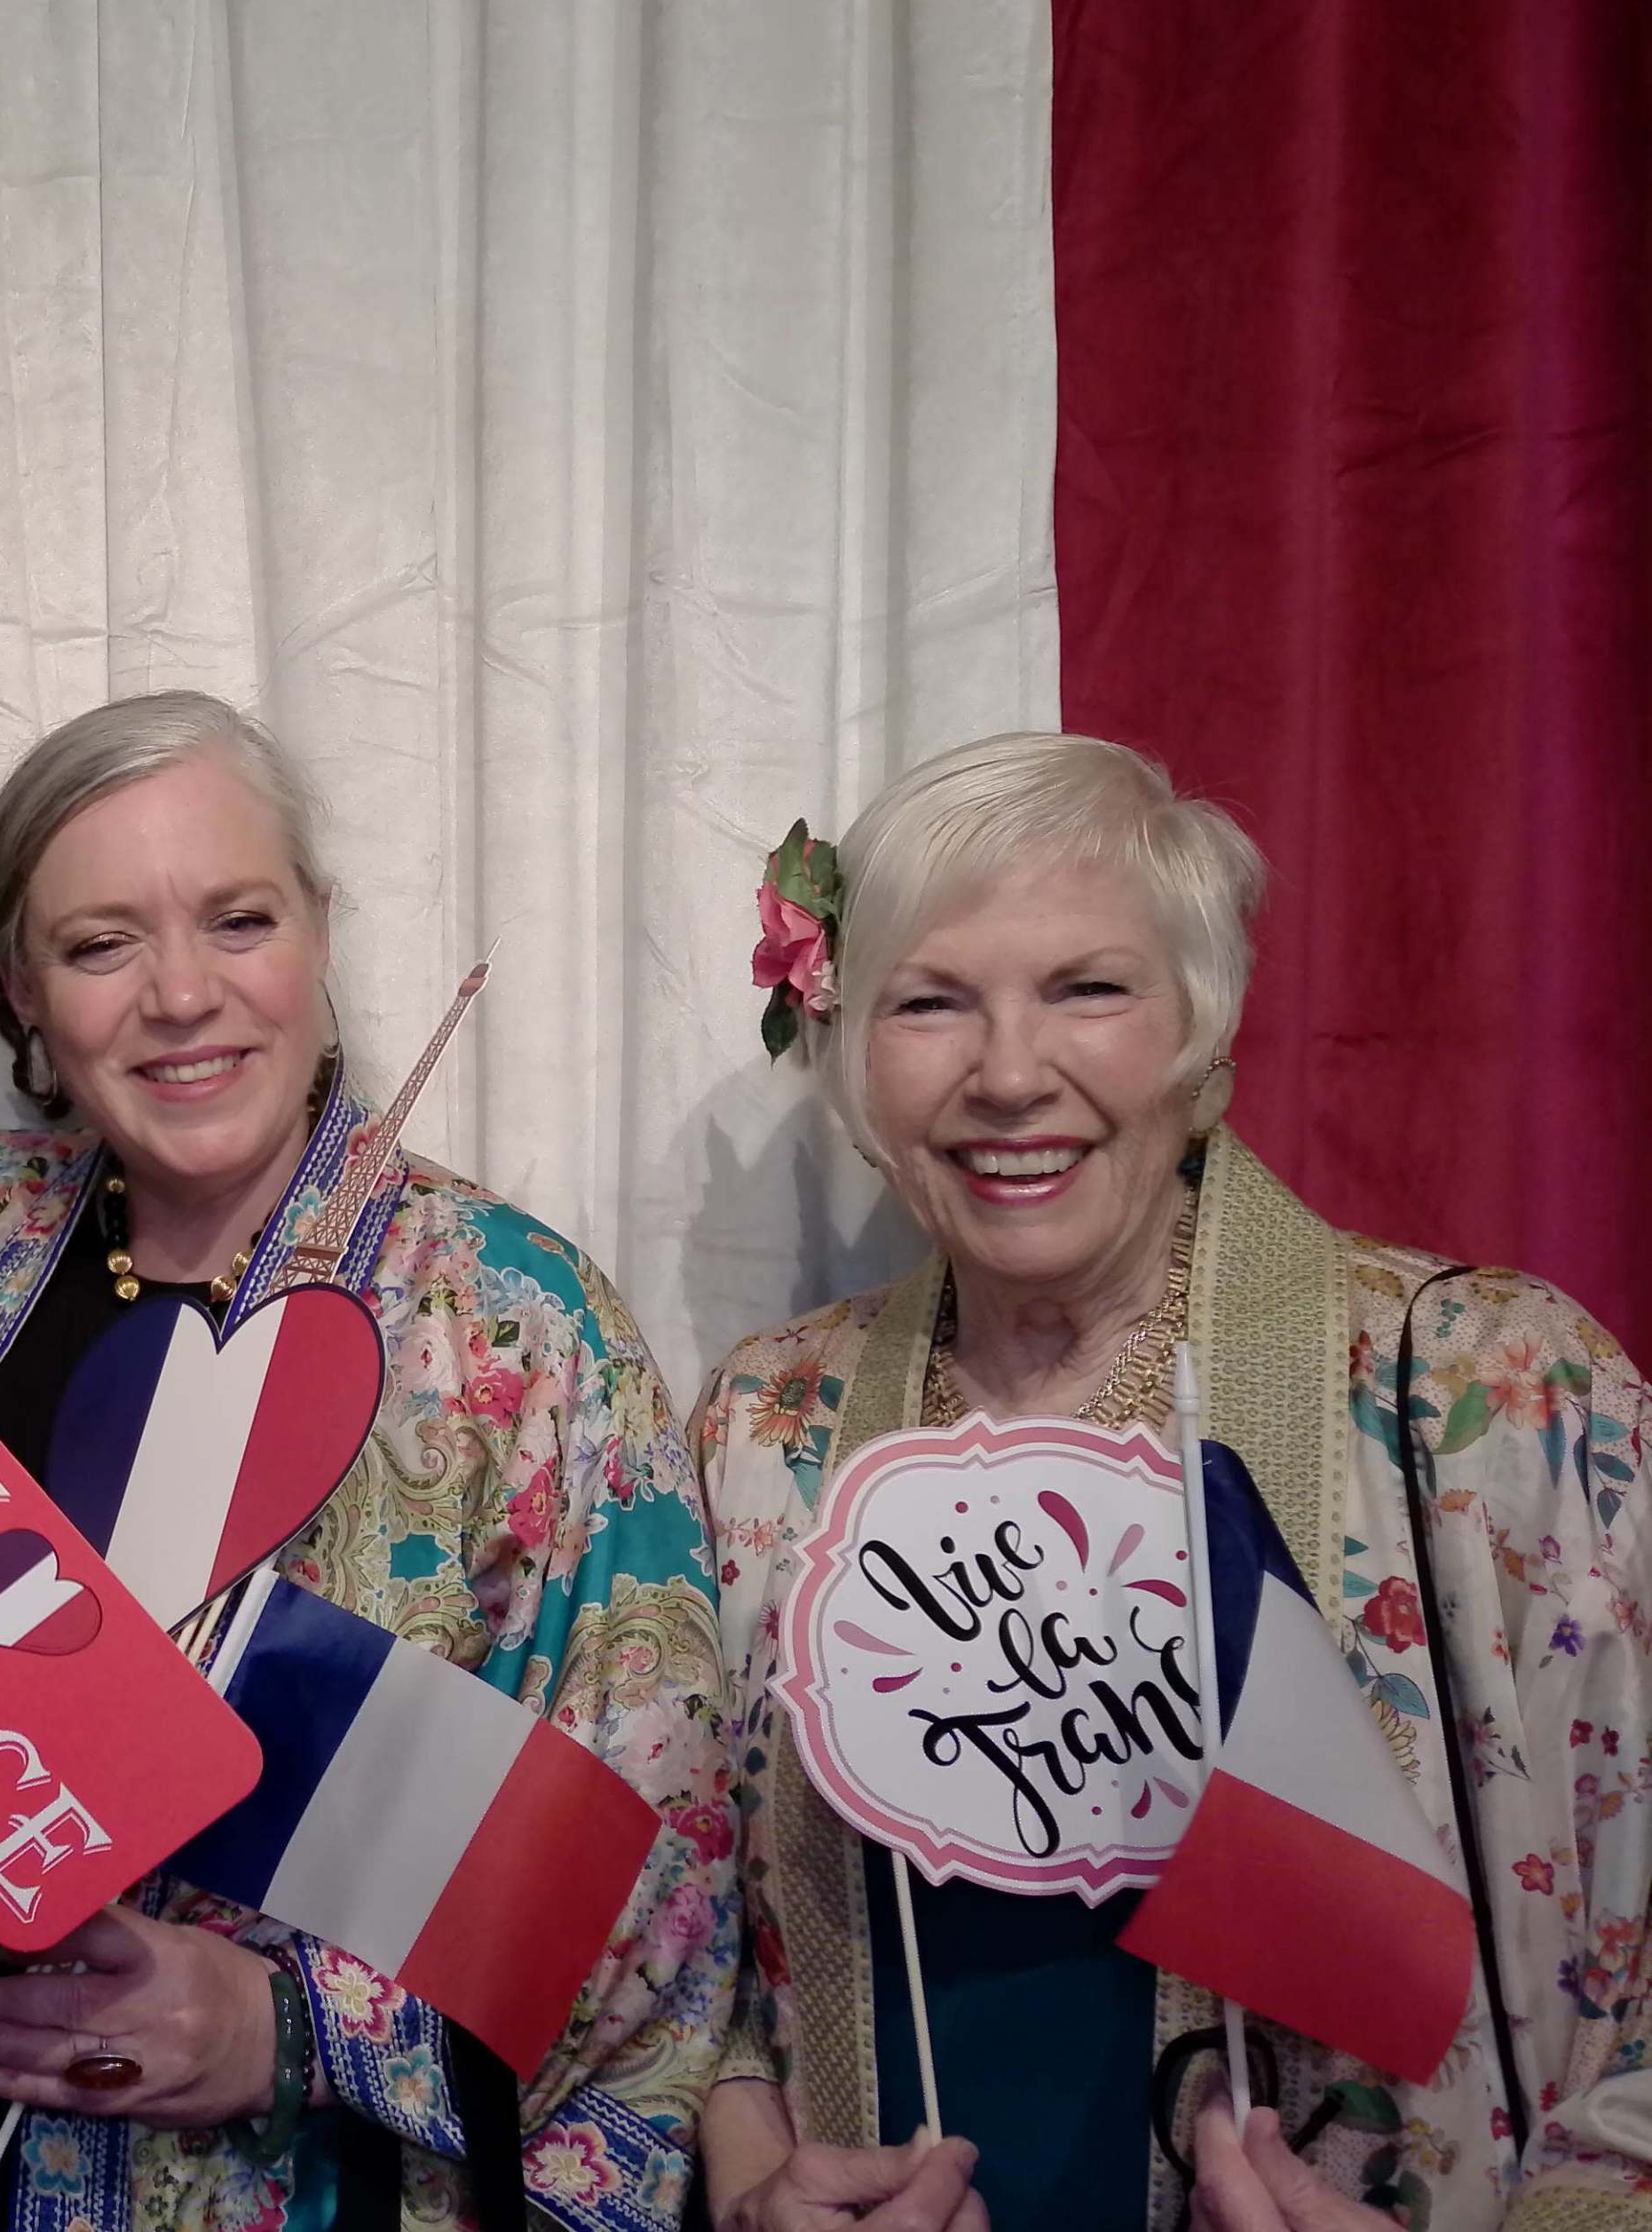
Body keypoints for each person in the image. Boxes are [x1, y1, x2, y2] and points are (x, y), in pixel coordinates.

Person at [692, 732, 1652, 2232]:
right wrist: (757, 2188)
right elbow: (701, 1964)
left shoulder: (1497, 1392)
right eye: (931, 1004)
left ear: (1205, 1028)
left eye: (1090, 989)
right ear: (850, 1055)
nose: (1012, 1076)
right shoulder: (767, 1430)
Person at [0, 691, 734, 2231]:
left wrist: (289, 2030)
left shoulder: (521, 1329)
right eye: (100, 945)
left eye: (238, 918)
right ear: (20, 987)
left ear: (320, 935)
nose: (183, 995)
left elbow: (648, 1898)